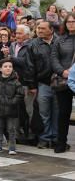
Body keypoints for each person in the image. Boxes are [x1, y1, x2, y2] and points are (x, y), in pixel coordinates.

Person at [26, 20, 58, 148]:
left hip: (59, 83)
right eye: (38, 28)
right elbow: (30, 67)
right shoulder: (33, 44)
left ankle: (56, 138)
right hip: (42, 83)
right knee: (44, 113)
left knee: (57, 113)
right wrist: (32, 86)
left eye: (43, 28)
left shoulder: (59, 41)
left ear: (51, 30)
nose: (39, 30)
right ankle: (44, 138)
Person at [0, 58, 25, 154]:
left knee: (11, 129)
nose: (8, 68)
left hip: (11, 110)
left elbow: (20, 94)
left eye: (10, 66)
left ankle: (12, 147)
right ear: (0, 69)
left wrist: (13, 102)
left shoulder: (16, 82)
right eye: (5, 66)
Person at [50, 13, 75, 153]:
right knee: (63, 113)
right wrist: (62, 71)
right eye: (68, 22)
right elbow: (54, 59)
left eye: (74, 21)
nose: (71, 24)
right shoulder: (59, 40)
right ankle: (61, 142)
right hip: (63, 80)